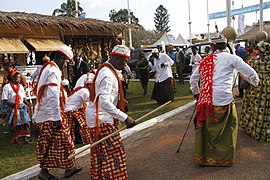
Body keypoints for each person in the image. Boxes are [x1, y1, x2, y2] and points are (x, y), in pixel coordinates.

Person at [189, 36, 259, 166]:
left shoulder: (205, 61)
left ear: (213, 47)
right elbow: (251, 73)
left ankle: (204, 157)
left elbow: (193, 80)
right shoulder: (233, 59)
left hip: (207, 100)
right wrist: (255, 83)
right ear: (225, 45)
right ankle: (223, 159)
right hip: (224, 99)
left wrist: (196, 93)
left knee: (206, 128)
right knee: (227, 129)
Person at [86, 44, 135, 180]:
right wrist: (125, 117)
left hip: (100, 119)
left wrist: (121, 102)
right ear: (116, 58)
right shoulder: (107, 74)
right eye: (124, 61)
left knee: (101, 156)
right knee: (115, 155)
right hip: (102, 121)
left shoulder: (107, 71)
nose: (125, 65)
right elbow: (104, 102)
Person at [32, 46, 82, 179]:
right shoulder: (53, 70)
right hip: (50, 115)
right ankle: (51, 171)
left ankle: (66, 168)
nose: (66, 65)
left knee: (49, 144)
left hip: (46, 114)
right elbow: (52, 95)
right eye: (66, 62)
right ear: (61, 59)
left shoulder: (47, 68)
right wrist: (56, 118)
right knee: (65, 142)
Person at [239, 41, 270, 142]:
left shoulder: (253, 60)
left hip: (255, 85)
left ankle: (254, 130)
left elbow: (247, 71)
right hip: (267, 87)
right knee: (266, 108)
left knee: (255, 107)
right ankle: (266, 131)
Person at [64, 72, 95, 145]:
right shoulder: (85, 92)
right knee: (83, 122)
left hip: (70, 110)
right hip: (70, 111)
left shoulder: (81, 90)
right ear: (88, 85)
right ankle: (80, 138)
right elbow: (89, 105)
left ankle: (78, 138)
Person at [1, 72, 31, 144]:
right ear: (13, 78)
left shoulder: (20, 87)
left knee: (26, 123)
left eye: (20, 77)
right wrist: (14, 105)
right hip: (12, 108)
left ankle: (25, 139)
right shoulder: (7, 87)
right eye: (17, 77)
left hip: (21, 107)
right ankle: (15, 139)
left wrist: (28, 104)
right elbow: (5, 100)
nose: (19, 79)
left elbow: (23, 99)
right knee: (14, 125)